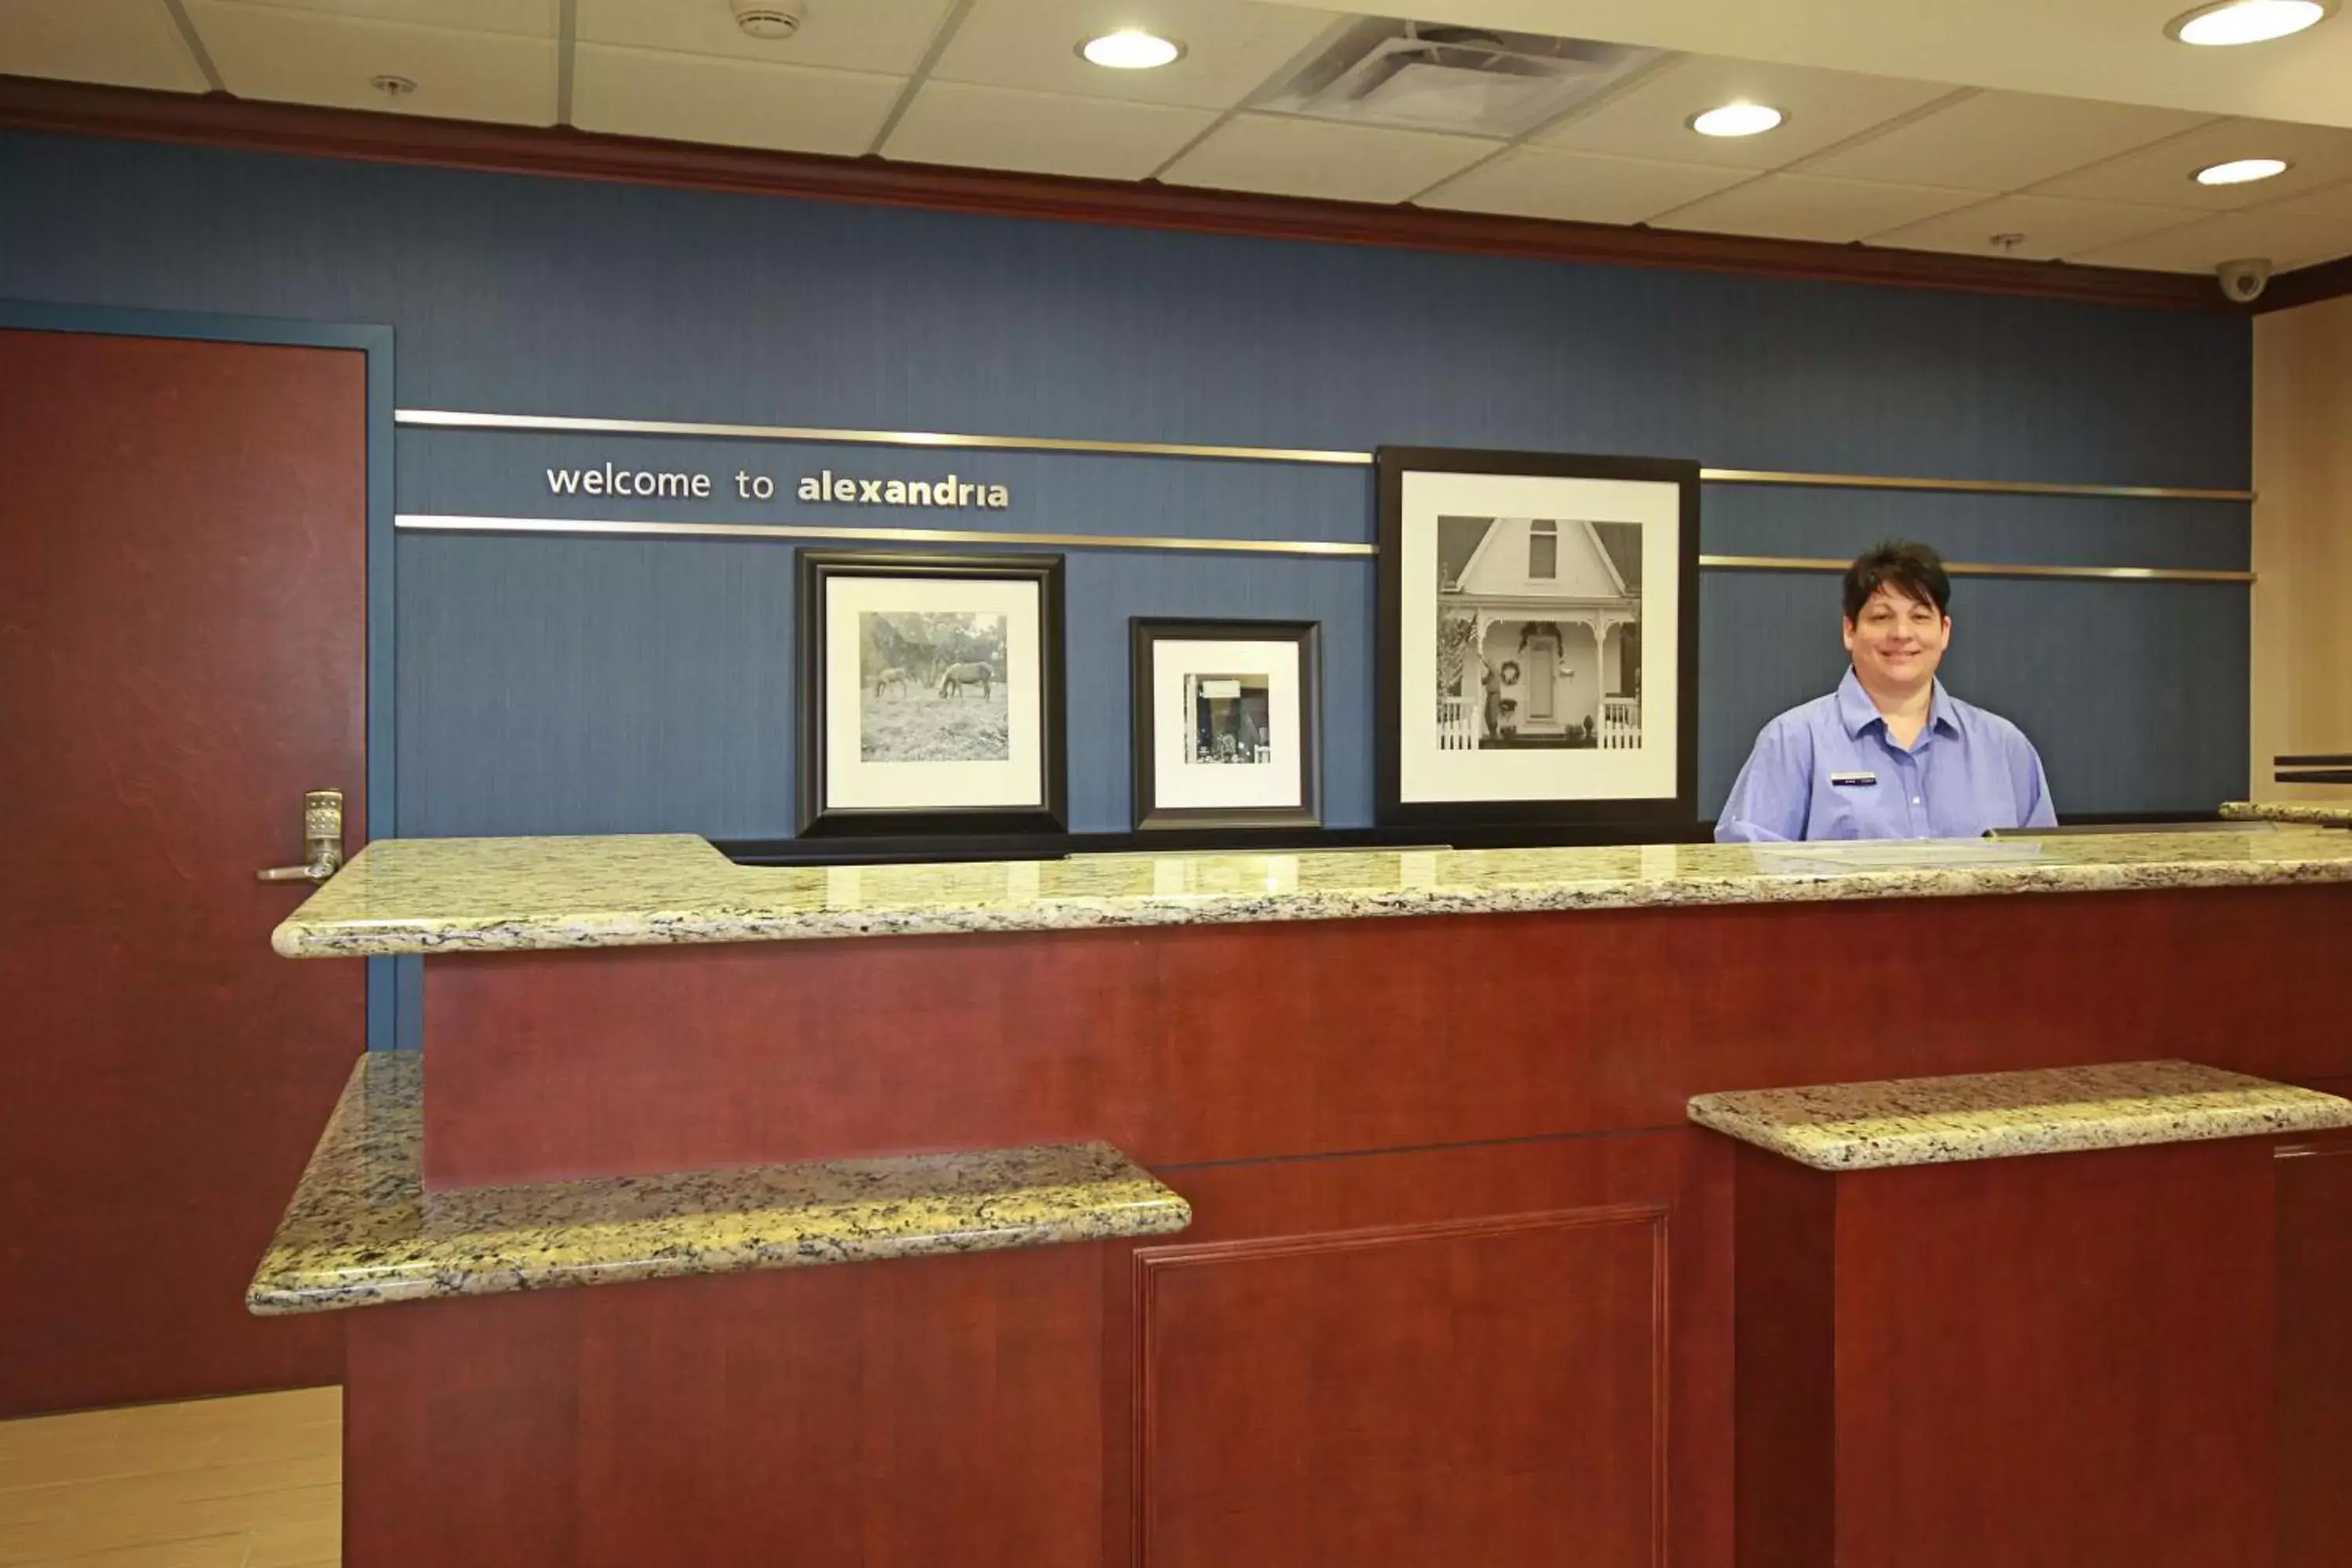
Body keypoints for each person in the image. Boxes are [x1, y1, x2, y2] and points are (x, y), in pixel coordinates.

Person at [1715, 540, 2056, 843]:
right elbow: (1747, 875)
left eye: (1920, 617)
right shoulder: (1792, 741)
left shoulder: (2005, 747)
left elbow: (2053, 878)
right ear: (1850, 631)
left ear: (1945, 632)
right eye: (1881, 617)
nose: (1902, 633)